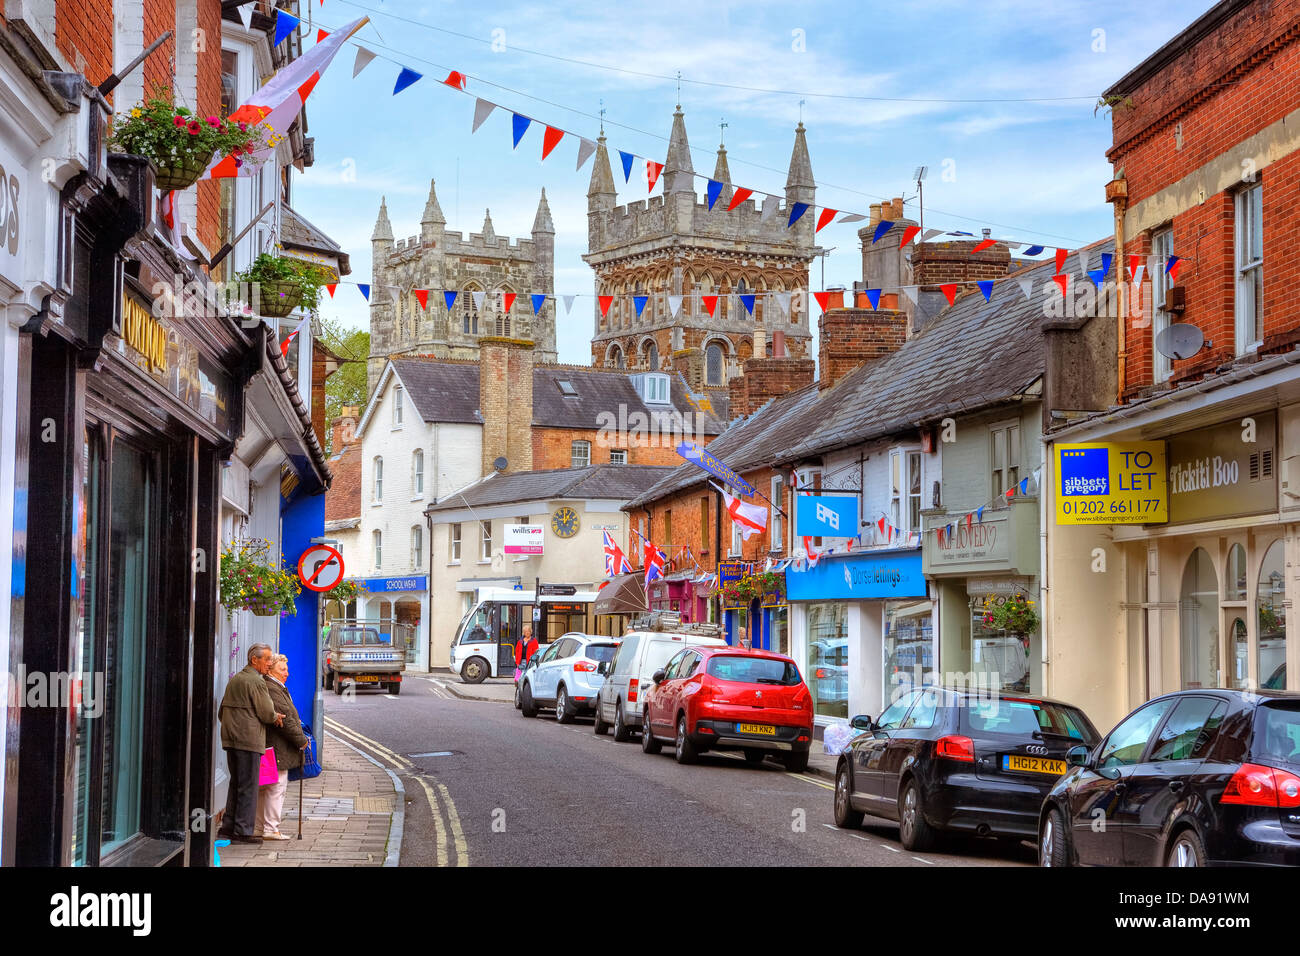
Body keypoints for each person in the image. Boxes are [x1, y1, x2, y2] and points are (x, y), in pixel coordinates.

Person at [217, 644, 284, 845]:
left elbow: (221, 712)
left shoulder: (236, 679)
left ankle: (228, 828)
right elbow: (266, 712)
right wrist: (275, 717)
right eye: (267, 659)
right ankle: (242, 831)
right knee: (248, 786)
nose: (270, 663)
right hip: (248, 740)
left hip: (231, 739)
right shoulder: (256, 681)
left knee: (236, 783)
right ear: (254, 660)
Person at [257, 654, 309, 840]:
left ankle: (260, 827)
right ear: (271, 670)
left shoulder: (276, 687)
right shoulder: (273, 688)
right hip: (277, 746)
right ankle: (271, 828)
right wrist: (301, 740)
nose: (287, 673)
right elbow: (286, 719)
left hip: (272, 745)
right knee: (276, 787)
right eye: (282, 669)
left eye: (287, 669)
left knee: (266, 787)